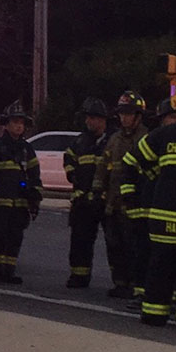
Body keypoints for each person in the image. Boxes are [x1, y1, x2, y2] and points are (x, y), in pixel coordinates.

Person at [127, 88, 176, 330]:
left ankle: (153, 314)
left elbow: (132, 161)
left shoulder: (168, 133)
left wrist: (157, 176)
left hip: (162, 221)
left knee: (159, 268)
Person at [121, 94, 176, 309]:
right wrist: (129, 196)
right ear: (161, 119)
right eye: (171, 117)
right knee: (145, 253)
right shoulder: (155, 138)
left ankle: (174, 295)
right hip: (146, 207)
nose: (175, 121)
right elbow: (129, 164)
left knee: (173, 256)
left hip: (172, 210)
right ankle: (142, 293)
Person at [90, 91, 148, 299]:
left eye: (128, 113)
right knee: (114, 246)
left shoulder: (145, 139)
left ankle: (135, 283)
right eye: (122, 113)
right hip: (112, 205)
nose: (124, 117)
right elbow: (103, 167)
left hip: (134, 207)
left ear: (138, 115)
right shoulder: (114, 139)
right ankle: (120, 283)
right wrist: (97, 191)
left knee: (134, 247)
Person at [0, 100, 42, 285]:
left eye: (21, 123)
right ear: (6, 124)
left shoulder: (27, 150)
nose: (19, 126)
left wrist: (35, 198)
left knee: (14, 240)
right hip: (0, 204)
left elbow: (34, 175)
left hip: (20, 206)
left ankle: (8, 271)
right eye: (15, 122)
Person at [64, 97, 114, 288]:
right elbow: (68, 157)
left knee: (115, 243)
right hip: (83, 201)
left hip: (106, 200)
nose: (88, 121)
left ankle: (122, 282)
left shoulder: (113, 141)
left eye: (93, 118)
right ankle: (79, 276)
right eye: (87, 118)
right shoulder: (79, 142)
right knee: (80, 241)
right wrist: (72, 174)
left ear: (103, 120)